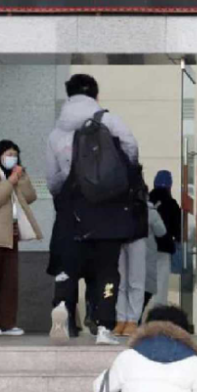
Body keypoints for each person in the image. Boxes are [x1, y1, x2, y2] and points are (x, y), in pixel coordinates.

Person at [46, 73, 139, 345]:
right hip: (108, 209)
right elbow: (131, 149)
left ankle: (62, 307)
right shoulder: (110, 120)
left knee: (68, 266)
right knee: (107, 270)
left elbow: (52, 179)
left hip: (72, 209)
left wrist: (66, 192)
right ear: (96, 95)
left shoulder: (57, 132)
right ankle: (104, 326)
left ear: (69, 95)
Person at [0, 140, 43, 336]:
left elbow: (30, 197)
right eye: (9, 154)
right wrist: (10, 181)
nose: (12, 158)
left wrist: (22, 178)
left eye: (15, 155)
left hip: (10, 234)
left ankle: (8, 323)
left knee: (10, 282)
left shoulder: (14, 176)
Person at [114, 175, 150, 339]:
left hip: (137, 233)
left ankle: (133, 319)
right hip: (118, 234)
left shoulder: (137, 183)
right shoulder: (113, 180)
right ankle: (121, 318)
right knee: (120, 280)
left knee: (136, 280)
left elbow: (141, 205)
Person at [149, 171, 181, 308]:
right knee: (161, 285)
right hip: (163, 249)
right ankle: (157, 312)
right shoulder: (171, 204)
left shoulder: (146, 201)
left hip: (144, 249)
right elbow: (177, 228)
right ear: (170, 185)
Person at [143, 199, 167, 316]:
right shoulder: (150, 212)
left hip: (126, 254)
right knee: (146, 287)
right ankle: (135, 319)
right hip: (147, 253)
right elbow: (161, 231)